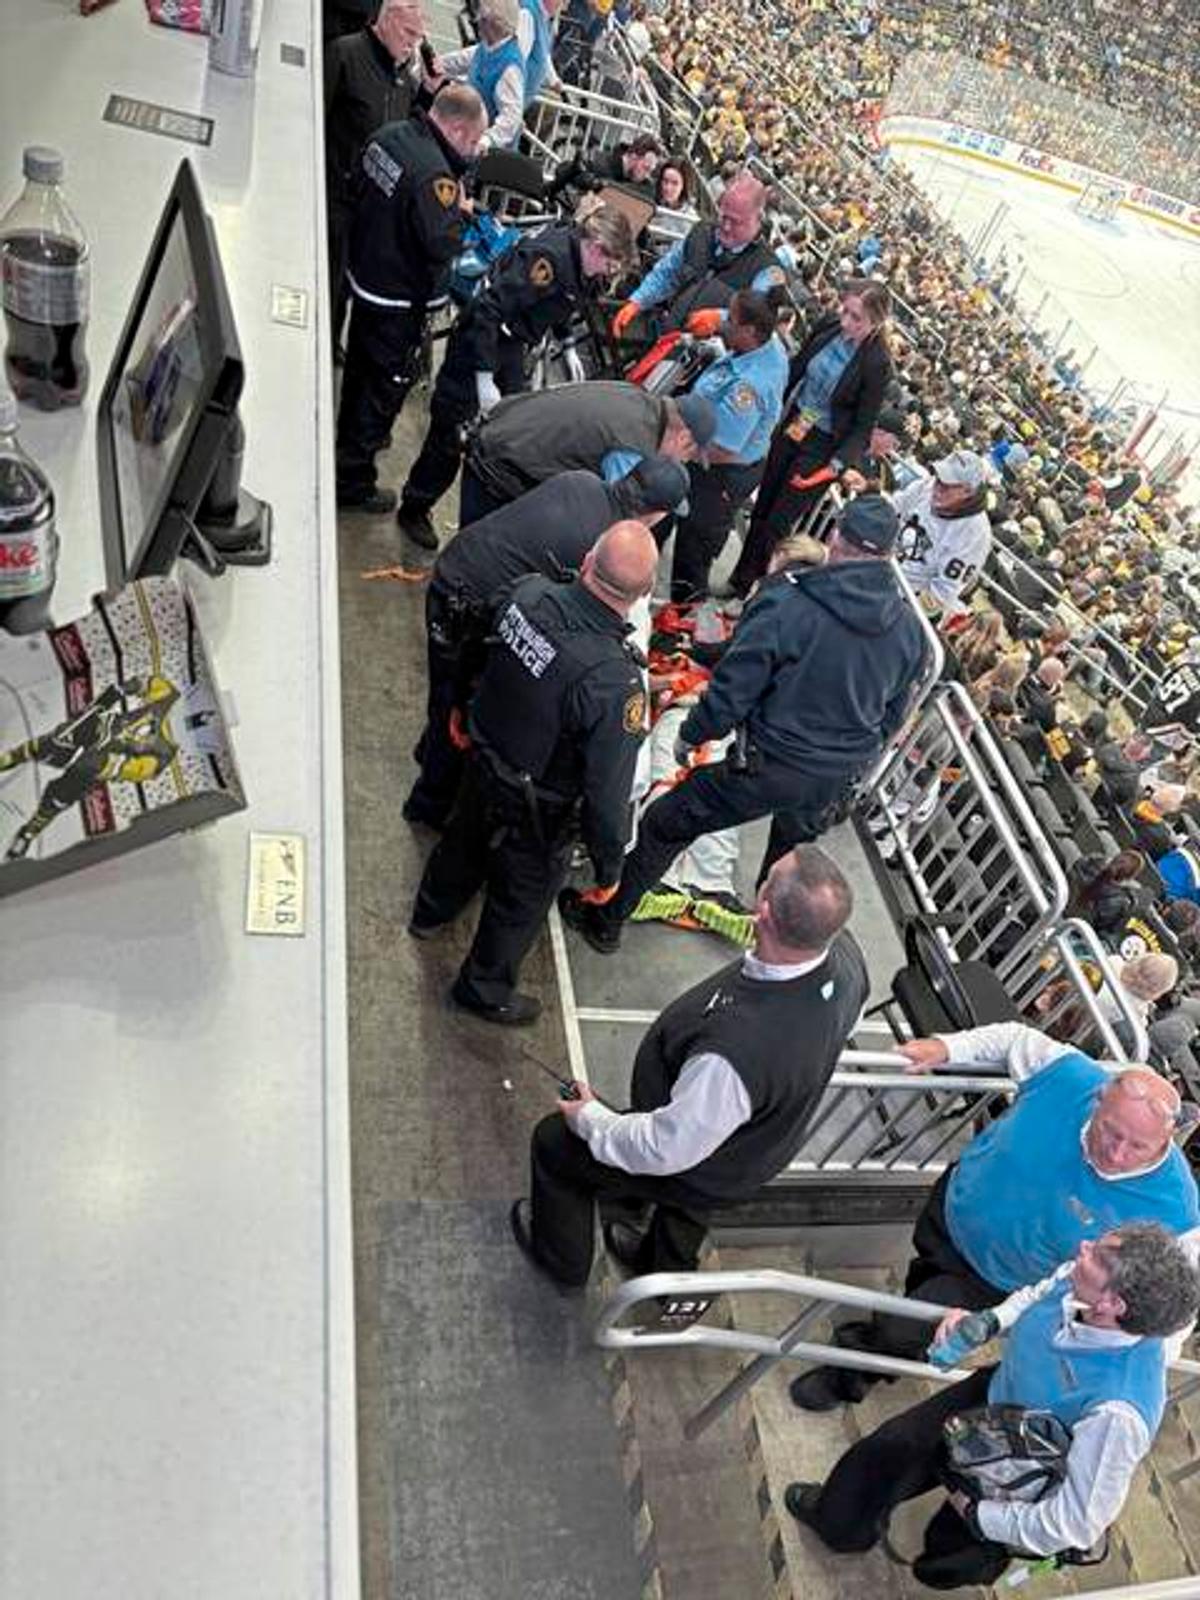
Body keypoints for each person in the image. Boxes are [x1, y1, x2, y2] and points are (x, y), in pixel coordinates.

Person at [560, 494, 928, 953]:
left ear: (834, 537)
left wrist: (694, 734)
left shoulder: (790, 600)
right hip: (831, 777)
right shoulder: (911, 631)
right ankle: (767, 954)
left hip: (768, 762)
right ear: (889, 554)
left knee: (665, 823)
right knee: (789, 869)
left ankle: (606, 921)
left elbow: (735, 687)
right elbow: (892, 718)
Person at [789, 1019, 1199, 1411]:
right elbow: (1012, 1039)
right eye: (1110, 1131)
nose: (1117, 1152)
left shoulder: (1176, 1211)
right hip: (951, 1209)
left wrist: (1128, 1370)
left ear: (1167, 1139)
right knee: (920, 1289)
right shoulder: (1070, 1077)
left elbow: (1177, 1309)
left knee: (905, 1326)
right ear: (1098, 1100)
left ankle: (851, 1374)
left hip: (995, 1279)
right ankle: (906, 1325)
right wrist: (947, 1047)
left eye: (1138, 1147)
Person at [510, 845, 869, 1285]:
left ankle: (561, 1263)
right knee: (696, 1202)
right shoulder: (848, 963)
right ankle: (661, 1272)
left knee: (556, 1145)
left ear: (764, 908)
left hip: (700, 1160)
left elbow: (666, 1148)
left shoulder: (735, 1056)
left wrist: (591, 1120)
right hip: (753, 1147)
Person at [784, 1224, 1200, 1590]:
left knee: (956, 1543)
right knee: (891, 1447)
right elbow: (1039, 1292)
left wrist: (984, 1517)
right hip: (995, 1398)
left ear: (1113, 1306)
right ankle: (840, 1524)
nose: (1083, 1247)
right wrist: (991, 1320)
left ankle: (940, 1569)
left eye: (1097, 1255)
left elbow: (1077, 1521)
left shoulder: (1120, 1412)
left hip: (1030, 1464)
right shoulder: (1079, 1285)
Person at [408, 522, 659, 1024]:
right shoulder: (616, 682)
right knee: (519, 901)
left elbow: (473, 649)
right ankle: (483, 986)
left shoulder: (526, 593)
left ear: (588, 559)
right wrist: (609, 867)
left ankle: (429, 912)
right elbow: (607, 790)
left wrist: (459, 710)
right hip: (540, 808)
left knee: (462, 843)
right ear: (643, 594)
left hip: (482, 762)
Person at [403, 457, 690, 827]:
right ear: (655, 515)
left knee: (452, 697)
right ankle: (427, 803)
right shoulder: (599, 548)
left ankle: (432, 757)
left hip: (458, 568)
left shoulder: (581, 482)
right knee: (454, 708)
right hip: (465, 605)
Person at [395, 203, 636, 549]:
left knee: (511, 433)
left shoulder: (578, 261)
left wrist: (567, 342)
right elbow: (487, 311)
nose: (607, 274)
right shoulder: (547, 259)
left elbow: (562, 300)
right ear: (596, 247)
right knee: (450, 432)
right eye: (609, 265)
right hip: (482, 339)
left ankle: (485, 522)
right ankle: (416, 506)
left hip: (512, 344)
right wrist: (482, 375)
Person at [334, 85, 488, 513]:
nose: (474, 151)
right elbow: (442, 243)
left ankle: (347, 447)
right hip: (399, 298)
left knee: (358, 377)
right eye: (473, 142)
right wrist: (458, 210)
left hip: (365, 275)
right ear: (456, 130)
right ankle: (352, 479)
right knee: (381, 391)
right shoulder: (436, 178)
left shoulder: (391, 134)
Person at [727, 279, 893, 595]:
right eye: (845, 311)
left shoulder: (877, 363)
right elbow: (796, 368)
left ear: (876, 322)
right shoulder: (830, 325)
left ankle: (751, 588)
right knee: (763, 505)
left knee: (778, 523)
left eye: (856, 318)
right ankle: (739, 579)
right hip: (797, 422)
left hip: (824, 445)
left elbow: (862, 427)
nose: (846, 322)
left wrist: (837, 466)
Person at [666, 289, 787, 601]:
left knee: (692, 553)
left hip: (717, 470)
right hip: (702, 454)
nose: (722, 323)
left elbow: (723, 447)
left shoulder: (750, 387)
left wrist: (673, 452)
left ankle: (683, 624)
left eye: (730, 320)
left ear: (749, 330)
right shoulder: (766, 343)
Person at [324, 0, 429, 353]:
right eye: (408, 32)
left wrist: (429, 93)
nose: (413, 43)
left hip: (369, 207)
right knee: (331, 272)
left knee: (348, 281)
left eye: (418, 36)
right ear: (386, 21)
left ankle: (333, 339)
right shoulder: (344, 55)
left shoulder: (403, 78)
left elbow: (415, 132)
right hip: (334, 193)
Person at [459, 381, 717, 522]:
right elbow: (613, 518)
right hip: (498, 467)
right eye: (690, 456)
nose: (683, 462)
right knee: (474, 574)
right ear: (683, 437)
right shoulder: (633, 447)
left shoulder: (637, 396)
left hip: (500, 429)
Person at [609, 173, 785, 339]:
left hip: (711, 359)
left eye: (736, 222)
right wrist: (638, 301)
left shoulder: (767, 271)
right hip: (670, 333)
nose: (726, 226)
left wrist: (721, 319)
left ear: (758, 219)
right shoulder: (702, 232)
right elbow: (668, 273)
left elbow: (758, 322)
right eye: (723, 216)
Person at [890, 450, 994, 616]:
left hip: (902, 595)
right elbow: (893, 507)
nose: (938, 488)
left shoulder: (976, 533)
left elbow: (942, 594)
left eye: (947, 486)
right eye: (938, 479)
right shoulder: (928, 485)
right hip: (877, 560)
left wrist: (897, 612)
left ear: (968, 491)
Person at [428, 0, 525, 152]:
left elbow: (511, 119)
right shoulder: (488, 46)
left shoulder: (509, 68)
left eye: (481, 17)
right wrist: (437, 62)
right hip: (467, 135)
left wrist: (486, 140)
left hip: (484, 152)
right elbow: (460, 59)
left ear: (492, 23)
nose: (476, 20)